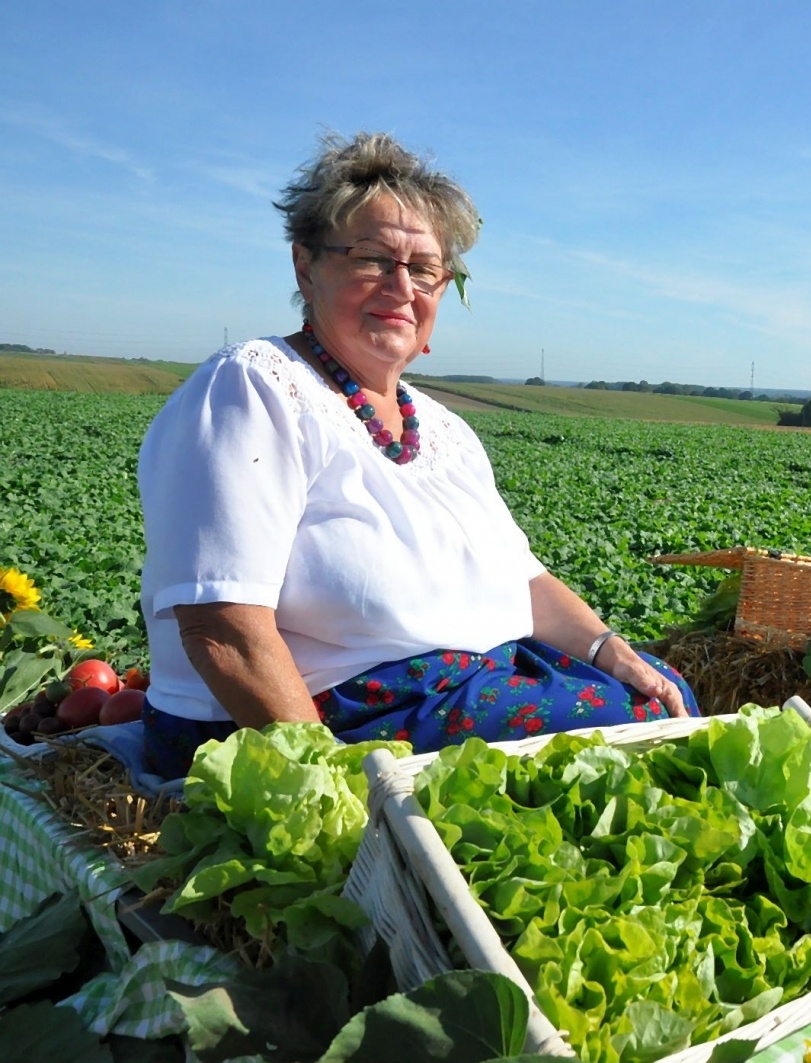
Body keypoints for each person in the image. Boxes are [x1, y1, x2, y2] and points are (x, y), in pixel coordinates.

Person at [137, 132, 696, 780]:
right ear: (305, 265)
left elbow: (525, 579)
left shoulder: (444, 429)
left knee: (663, 690)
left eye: (424, 268)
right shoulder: (256, 386)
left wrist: (611, 649)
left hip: (455, 687)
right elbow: (224, 628)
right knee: (623, 728)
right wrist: (332, 793)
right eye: (372, 258)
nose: (401, 286)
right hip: (316, 718)